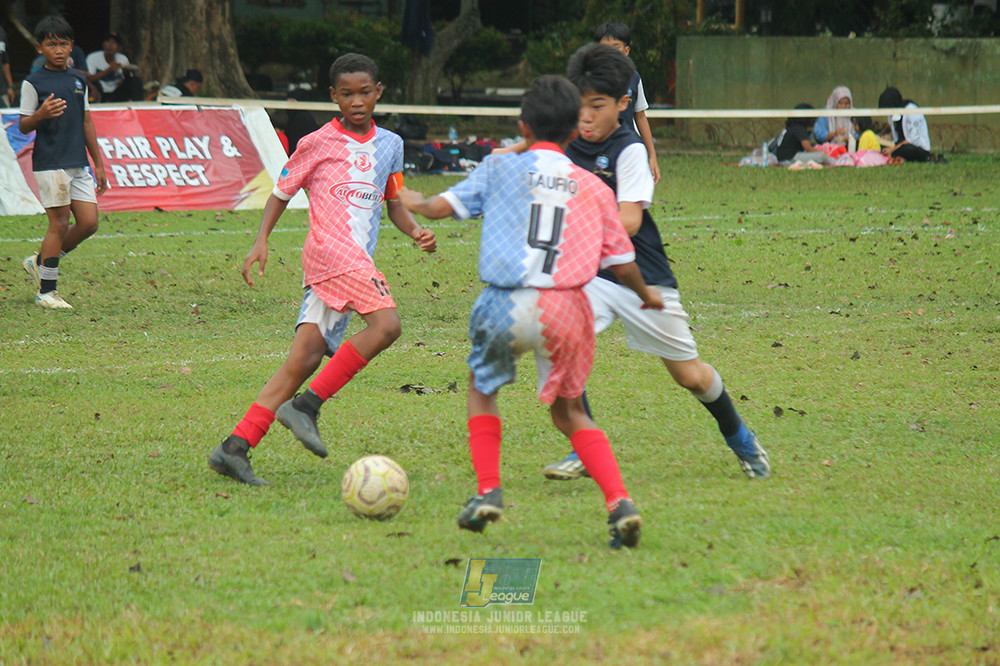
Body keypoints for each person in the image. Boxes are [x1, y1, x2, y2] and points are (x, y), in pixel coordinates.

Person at [398, 74, 664, 549]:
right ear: (572, 131)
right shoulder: (593, 186)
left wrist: (414, 199)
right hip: (567, 308)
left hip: (503, 302)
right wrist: (646, 294)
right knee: (570, 412)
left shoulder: (500, 168)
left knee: (483, 389)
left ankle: (488, 491)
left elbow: (440, 207)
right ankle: (619, 502)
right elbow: (623, 262)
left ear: (523, 126)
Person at [538, 44, 770, 482]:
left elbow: (628, 220)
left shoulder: (629, 151)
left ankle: (739, 436)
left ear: (624, 104)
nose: (585, 116)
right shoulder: (567, 144)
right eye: (579, 105)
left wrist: (573, 221)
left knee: (691, 377)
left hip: (643, 279)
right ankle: (586, 447)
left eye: (597, 106)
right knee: (560, 340)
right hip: (592, 277)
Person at [207, 53, 436, 486]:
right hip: (331, 253)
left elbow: (395, 204)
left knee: (304, 358)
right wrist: (261, 241)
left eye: (364, 92)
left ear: (378, 92)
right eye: (346, 94)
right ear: (333, 96)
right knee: (386, 325)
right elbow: (279, 192)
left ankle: (234, 448)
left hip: (353, 261)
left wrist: (416, 231)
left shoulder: (391, 145)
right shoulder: (315, 142)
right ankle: (306, 406)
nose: (356, 101)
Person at [19, 16, 108, 310]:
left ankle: (40, 262)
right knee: (58, 223)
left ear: (72, 46)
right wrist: (40, 115)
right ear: (39, 47)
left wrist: (99, 163)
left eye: (64, 44)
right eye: (51, 44)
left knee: (89, 223)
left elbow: (86, 122)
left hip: (77, 163)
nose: (58, 49)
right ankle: (47, 291)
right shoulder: (33, 83)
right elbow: (23, 126)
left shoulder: (78, 79)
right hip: (50, 162)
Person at [590, 22, 660, 184]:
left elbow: (640, 116)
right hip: (598, 150)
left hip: (627, 148)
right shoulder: (588, 79)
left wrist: (652, 156)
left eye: (616, 47)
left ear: (626, 51)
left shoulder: (634, 78)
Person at [877, 86, 934, 163]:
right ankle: (893, 155)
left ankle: (893, 155)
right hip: (898, 146)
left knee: (907, 149)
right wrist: (888, 138)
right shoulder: (891, 115)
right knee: (880, 145)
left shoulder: (912, 111)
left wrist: (892, 150)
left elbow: (912, 139)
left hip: (916, 148)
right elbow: (898, 137)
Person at [86, 32, 143, 102]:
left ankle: (138, 107)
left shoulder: (122, 58)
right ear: (103, 44)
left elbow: (129, 79)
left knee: (135, 81)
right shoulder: (93, 57)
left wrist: (125, 73)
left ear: (119, 47)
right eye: (108, 42)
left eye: (114, 43)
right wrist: (109, 70)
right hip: (100, 93)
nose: (110, 45)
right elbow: (89, 78)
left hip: (116, 93)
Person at [774, 103, 833, 168]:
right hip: (790, 158)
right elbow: (807, 148)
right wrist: (823, 152)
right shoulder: (799, 129)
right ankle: (839, 164)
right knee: (823, 156)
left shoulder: (791, 127)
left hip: (782, 159)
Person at [0, 24, 14, 106]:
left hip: (2, 90)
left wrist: (10, 86)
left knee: (6, 117)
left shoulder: (1, 31)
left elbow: (5, 61)